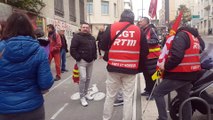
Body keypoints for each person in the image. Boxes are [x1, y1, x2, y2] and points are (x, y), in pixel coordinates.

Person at [0, 12, 53, 120]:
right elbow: (45, 83)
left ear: (7, 27)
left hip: (4, 109)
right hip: (32, 109)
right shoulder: (39, 50)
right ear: (29, 27)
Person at [100, 9, 148, 120]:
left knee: (110, 96)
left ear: (121, 17)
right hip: (130, 69)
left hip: (113, 68)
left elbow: (102, 46)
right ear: (132, 18)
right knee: (128, 98)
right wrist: (138, 66)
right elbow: (145, 51)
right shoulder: (139, 31)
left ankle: (106, 118)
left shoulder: (112, 27)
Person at [153, 26, 205, 120]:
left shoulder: (181, 35)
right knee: (185, 97)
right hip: (190, 73)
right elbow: (201, 48)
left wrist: (165, 66)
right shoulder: (193, 37)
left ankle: (163, 118)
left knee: (158, 93)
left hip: (179, 73)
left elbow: (177, 55)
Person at [70, 22, 97, 107]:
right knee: (83, 78)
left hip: (90, 61)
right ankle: (82, 97)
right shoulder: (77, 37)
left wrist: (94, 56)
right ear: (81, 28)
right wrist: (78, 58)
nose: (85, 29)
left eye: (87, 27)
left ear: (89, 29)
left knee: (88, 78)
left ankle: (85, 93)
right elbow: (72, 49)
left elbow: (95, 48)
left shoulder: (92, 37)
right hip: (82, 61)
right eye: (84, 27)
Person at [138, 17, 161, 100]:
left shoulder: (151, 29)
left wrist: (144, 42)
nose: (139, 22)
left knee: (153, 77)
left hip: (153, 57)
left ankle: (154, 93)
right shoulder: (143, 30)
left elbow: (156, 40)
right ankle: (148, 90)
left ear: (146, 22)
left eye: (141, 21)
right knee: (146, 75)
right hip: (146, 58)